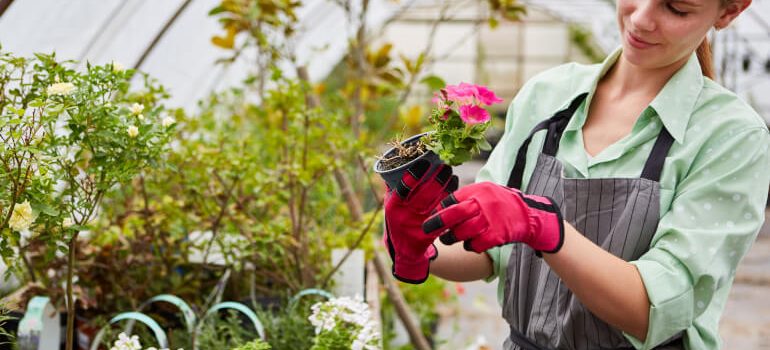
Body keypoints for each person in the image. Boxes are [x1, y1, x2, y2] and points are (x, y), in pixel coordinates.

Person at [381, 0, 770, 349]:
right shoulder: (549, 95)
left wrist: (545, 228)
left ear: (729, 11)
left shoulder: (731, 135)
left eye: (676, 9)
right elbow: (489, 255)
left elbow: (654, 310)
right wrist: (420, 241)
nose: (641, 18)